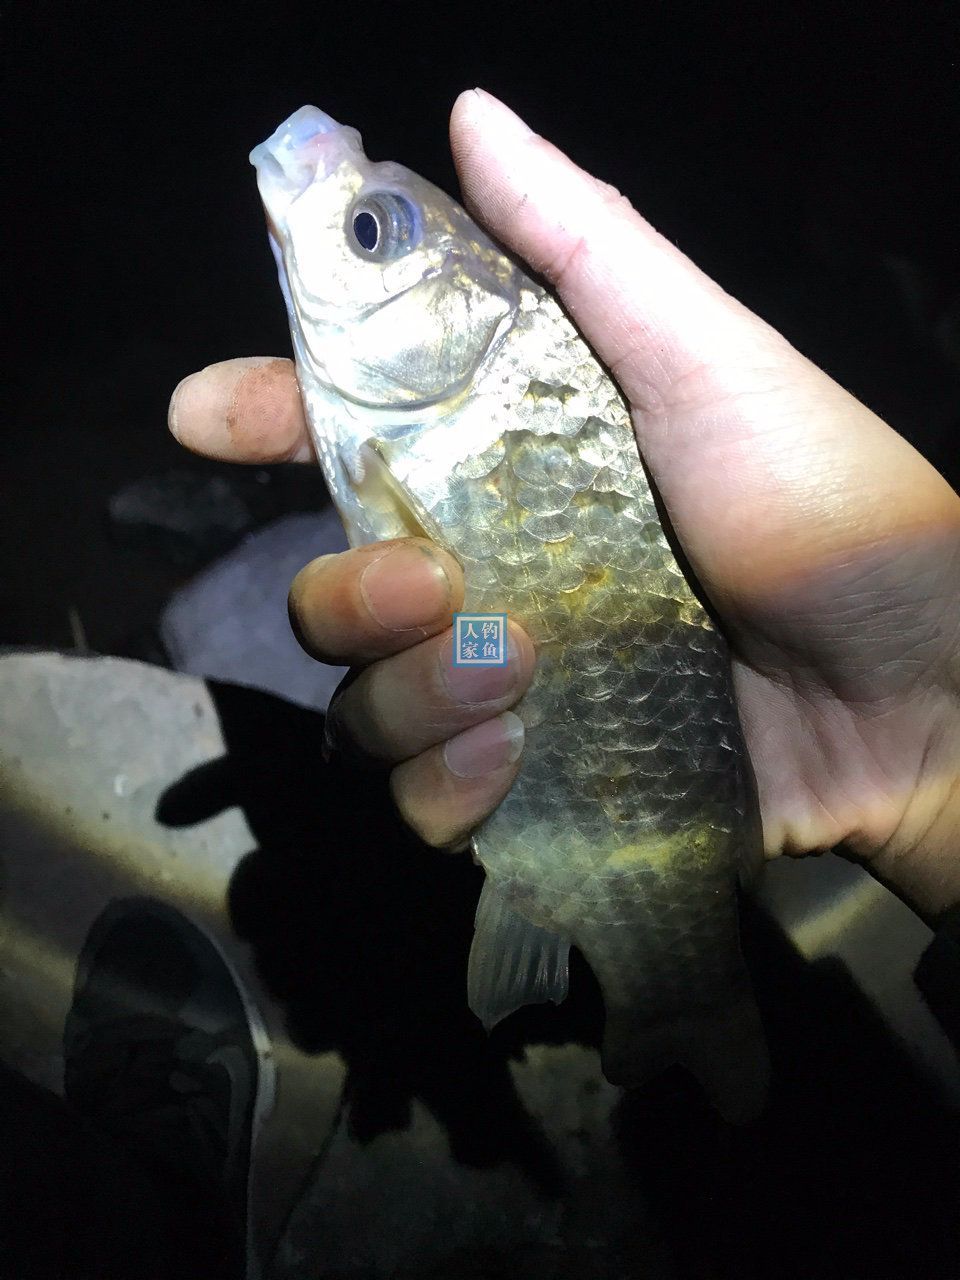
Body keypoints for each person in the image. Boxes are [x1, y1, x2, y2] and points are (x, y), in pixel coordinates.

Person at [169, 89, 960, 927]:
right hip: (572, 676)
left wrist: (930, 748)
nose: (349, 214)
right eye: (372, 232)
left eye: (371, 232)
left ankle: (646, 964)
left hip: (768, 736)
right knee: (477, 652)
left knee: (470, 659)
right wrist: (928, 747)